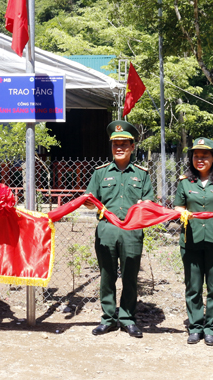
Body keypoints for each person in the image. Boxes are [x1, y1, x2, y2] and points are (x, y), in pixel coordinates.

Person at [86, 120, 154, 338]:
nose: (120, 148)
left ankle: (127, 318)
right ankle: (108, 318)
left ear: (133, 147)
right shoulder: (100, 173)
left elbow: (149, 203)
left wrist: (144, 207)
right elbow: (90, 198)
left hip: (132, 233)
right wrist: (89, 203)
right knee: (107, 276)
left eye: (124, 144)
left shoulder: (142, 174)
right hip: (106, 231)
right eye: (116, 144)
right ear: (111, 147)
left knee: (130, 277)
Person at [173, 137, 213, 345]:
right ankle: (195, 326)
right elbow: (178, 207)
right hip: (190, 241)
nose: (200, 159)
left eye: (205, 156)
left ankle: (211, 328)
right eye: (196, 156)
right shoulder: (184, 182)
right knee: (193, 286)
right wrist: (183, 214)